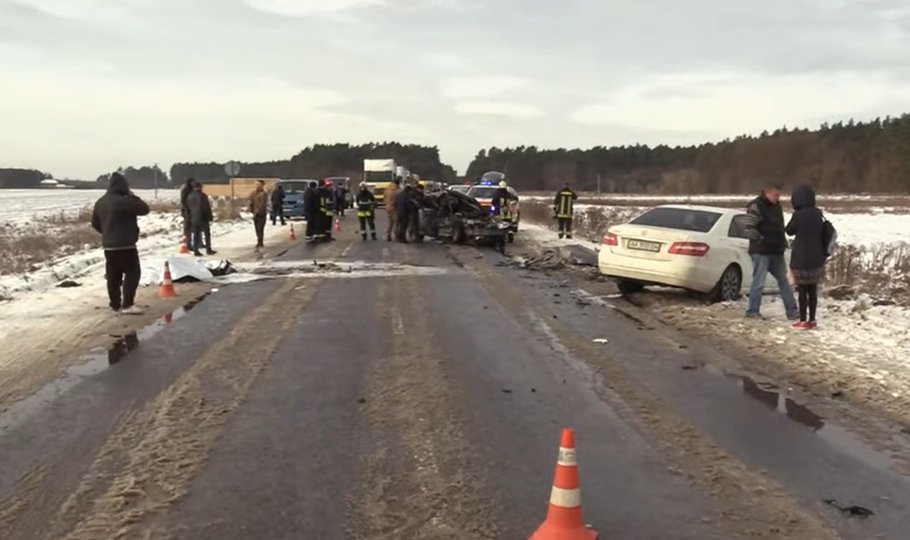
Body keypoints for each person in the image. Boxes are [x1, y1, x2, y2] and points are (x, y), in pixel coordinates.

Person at [91, 172, 150, 315]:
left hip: (109, 246)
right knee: (132, 273)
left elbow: (95, 223)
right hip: (125, 244)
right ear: (123, 186)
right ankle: (128, 304)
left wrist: (107, 232)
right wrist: (132, 195)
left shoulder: (101, 202)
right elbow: (144, 209)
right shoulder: (123, 201)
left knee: (113, 276)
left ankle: (115, 305)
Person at [744, 184, 798, 320]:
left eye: (778, 195)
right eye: (775, 195)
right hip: (761, 250)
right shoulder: (755, 206)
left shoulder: (777, 207)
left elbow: (780, 227)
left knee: (784, 281)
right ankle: (752, 311)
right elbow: (749, 228)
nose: (777, 198)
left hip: (776, 250)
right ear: (766, 193)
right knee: (759, 282)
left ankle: (792, 311)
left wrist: (782, 242)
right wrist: (761, 239)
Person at [786, 185, 827, 329]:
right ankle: (813, 319)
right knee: (812, 289)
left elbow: (789, 231)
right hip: (817, 258)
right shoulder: (818, 213)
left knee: (802, 289)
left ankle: (803, 320)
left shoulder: (798, 215)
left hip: (801, 258)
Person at [186, 182, 217, 256]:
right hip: (203, 218)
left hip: (193, 218)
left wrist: (189, 218)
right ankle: (208, 249)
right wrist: (209, 217)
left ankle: (196, 250)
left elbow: (188, 209)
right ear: (199, 187)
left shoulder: (189, 197)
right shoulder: (203, 196)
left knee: (196, 235)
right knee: (207, 234)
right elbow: (206, 208)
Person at [248, 180, 269, 249]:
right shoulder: (253, 193)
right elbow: (250, 201)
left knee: (260, 228)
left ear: (262, 185)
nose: (257, 186)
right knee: (257, 228)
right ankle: (259, 240)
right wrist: (251, 209)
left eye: (259, 184)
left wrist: (258, 211)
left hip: (261, 214)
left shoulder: (264, 194)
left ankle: (260, 242)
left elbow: (262, 204)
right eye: (256, 184)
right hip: (255, 214)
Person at [180, 178, 196, 250]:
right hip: (187, 211)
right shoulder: (186, 190)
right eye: (192, 182)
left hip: (192, 210)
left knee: (191, 228)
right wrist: (187, 209)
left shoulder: (192, 189)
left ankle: (190, 243)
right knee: (187, 228)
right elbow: (183, 201)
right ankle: (188, 244)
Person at [385, 176, 402, 241]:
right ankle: (396, 235)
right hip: (394, 207)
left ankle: (388, 235)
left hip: (388, 206)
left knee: (390, 222)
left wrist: (387, 203)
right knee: (396, 222)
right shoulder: (396, 190)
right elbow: (398, 198)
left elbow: (385, 196)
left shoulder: (388, 188)